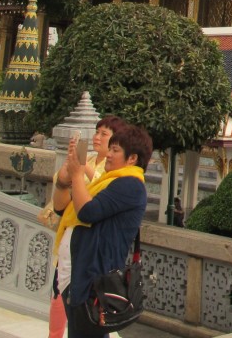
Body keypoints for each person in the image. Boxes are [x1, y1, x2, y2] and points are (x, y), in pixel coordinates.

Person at [53, 123, 151, 338]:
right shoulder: (105, 183)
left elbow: (87, 212)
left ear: (132, 158)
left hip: (93, 279)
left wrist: (78, 174)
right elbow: (62, 209)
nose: (108, 154)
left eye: (115, 150)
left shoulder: (130, 185)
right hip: (78, 273)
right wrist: (64, 181)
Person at [43, 115, 127, 338]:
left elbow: (98, 198)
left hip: (92, 255)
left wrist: (80, 171)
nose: (97, 137)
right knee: (67, 305)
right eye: (97, 132)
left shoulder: (119, 176)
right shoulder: (88, 161)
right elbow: (61, 205)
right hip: (69, 242)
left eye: (104, 134)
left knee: (91, 314)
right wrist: (67, 174)